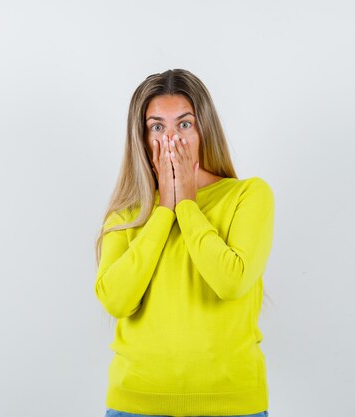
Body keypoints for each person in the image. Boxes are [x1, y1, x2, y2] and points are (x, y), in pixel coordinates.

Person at [94, 69, 275, 417]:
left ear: (204, 129)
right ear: (143, 138)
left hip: (232, 405)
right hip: (136, 404)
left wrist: (187, 204)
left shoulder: (248, 195)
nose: (171, 138)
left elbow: (232, 281)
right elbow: (116, 300)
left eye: (185, 124)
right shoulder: (126, 214)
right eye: (157, 127)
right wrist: (164, 210)